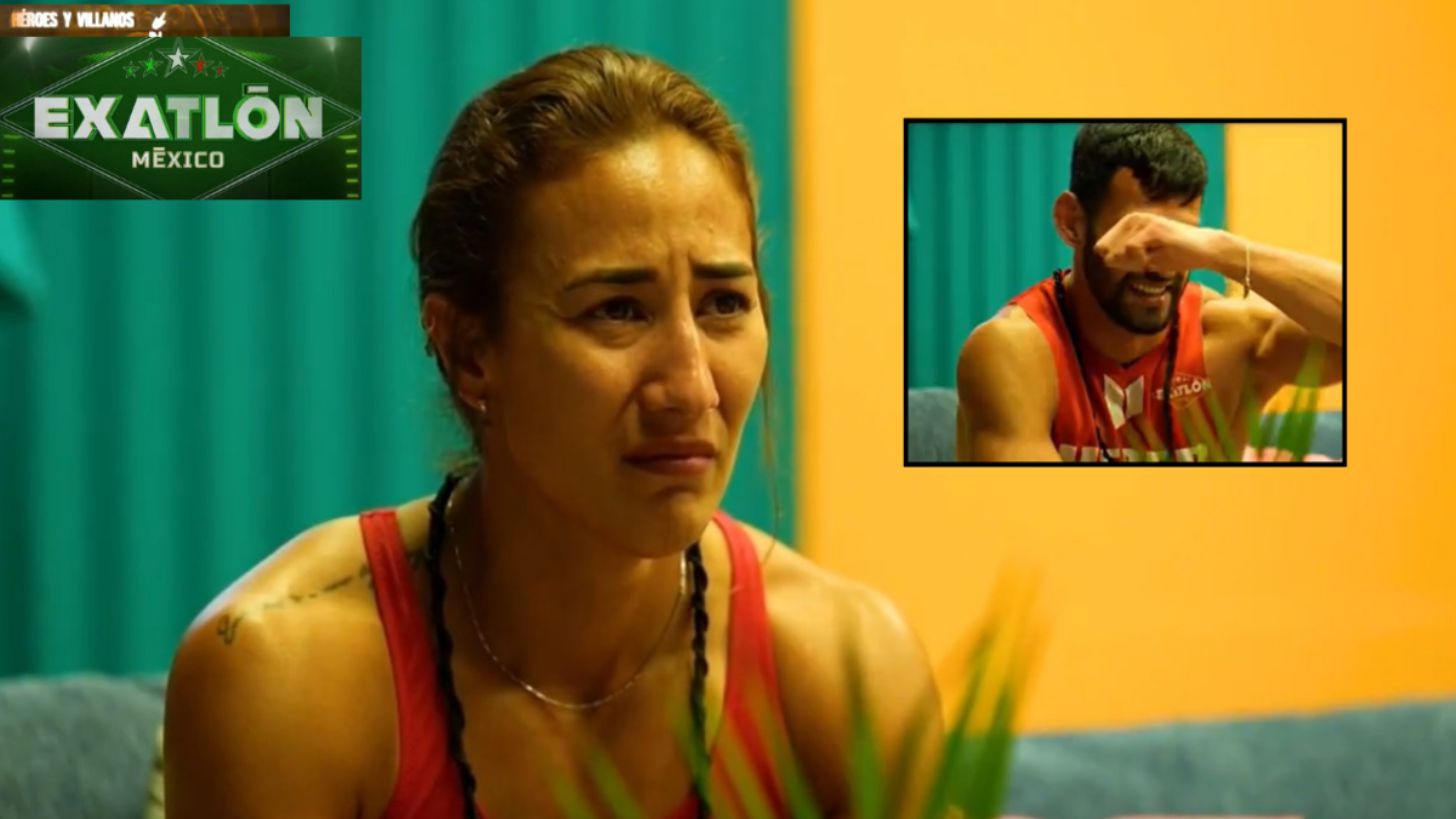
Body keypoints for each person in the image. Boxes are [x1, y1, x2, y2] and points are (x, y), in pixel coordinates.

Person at [163, 46, 941, 819]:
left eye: (724, 304)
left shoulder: (846, 670)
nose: (693, 388)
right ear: (470, 352)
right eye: (617, 310)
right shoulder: (286, 672)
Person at [955, 123, 1344, 463]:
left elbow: (1374, 331)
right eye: (1137, 233)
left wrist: (1222, 250)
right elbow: (1030, 516)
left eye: (1177, 239)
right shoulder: (1016, 350)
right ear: (1072, 223)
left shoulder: (1230, 339)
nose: (1160, 267)